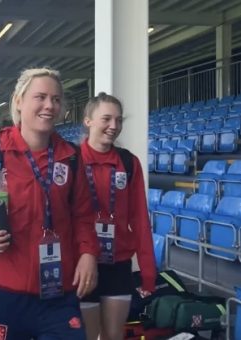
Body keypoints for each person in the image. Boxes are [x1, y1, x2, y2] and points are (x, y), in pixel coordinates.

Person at [0, 67, 99, 340]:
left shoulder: (71, 157)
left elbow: (83, 216)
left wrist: (88, 254)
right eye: (40, 97)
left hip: (58, 295)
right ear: (19, 101)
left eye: (56, 99)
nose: (49, 105)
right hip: (3, 293)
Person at [79, 92, 156, 340]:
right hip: (82, 264)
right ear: (88, 121)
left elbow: (140, 220)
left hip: (118, 264)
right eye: (107, 119)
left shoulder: (129, 163)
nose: (114, 126)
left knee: (114, 337)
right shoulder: (71, 161)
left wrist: (147, 271)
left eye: (119, 120)